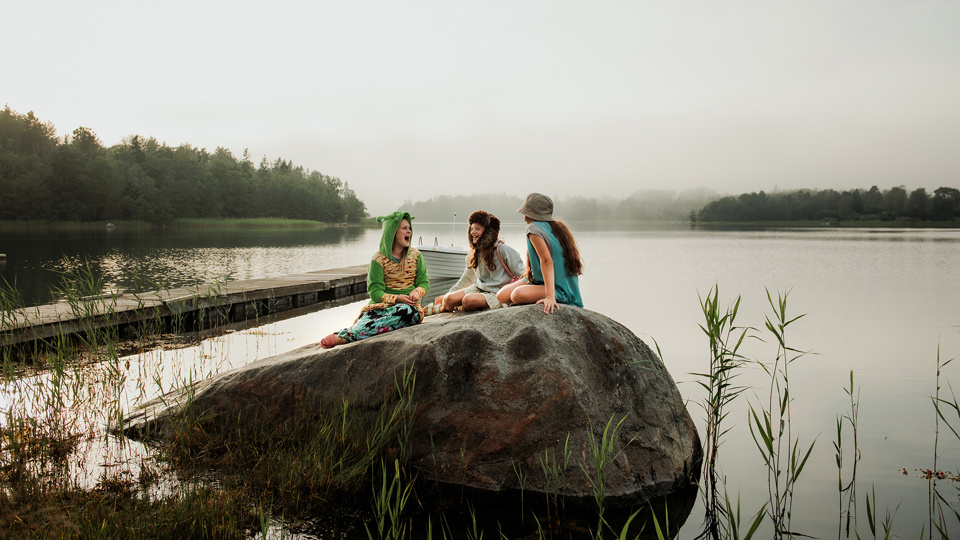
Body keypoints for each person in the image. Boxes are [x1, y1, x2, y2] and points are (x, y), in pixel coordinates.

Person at [321, 211, 429, 348]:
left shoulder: (416, 256)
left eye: (410, 228)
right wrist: (396, 298)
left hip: (407, 308)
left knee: (406, 312)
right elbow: (375, 293)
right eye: (404, 228)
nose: (409, 231)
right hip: (380, 307)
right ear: (393, 232)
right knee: (368, 318)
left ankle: (345, 337)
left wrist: (417, 292)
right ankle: (355, 330)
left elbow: (423, 282)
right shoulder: (378, 260)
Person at [496, 193, 583, 314]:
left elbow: (547, 261)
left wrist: (550, 297)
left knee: (516, 295)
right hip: (538, 281)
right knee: (501, 296)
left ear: (531, 214)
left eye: (525, 213)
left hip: (560, 290)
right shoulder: (558, 227)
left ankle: (558, 297)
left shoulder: (533, 228)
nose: (524, 218)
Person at [434, 210, 525, 313]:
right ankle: (440, 309)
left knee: (468, 301)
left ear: (487, 232)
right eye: (472, 228)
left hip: (498, 294)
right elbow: (467, 278)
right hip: (479, 289)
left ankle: (460, 308)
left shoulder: (502, 249)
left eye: (478, 229)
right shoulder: (475, 252)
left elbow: (524, 274)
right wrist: (447, 295)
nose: (473, 232)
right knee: (449, 299)